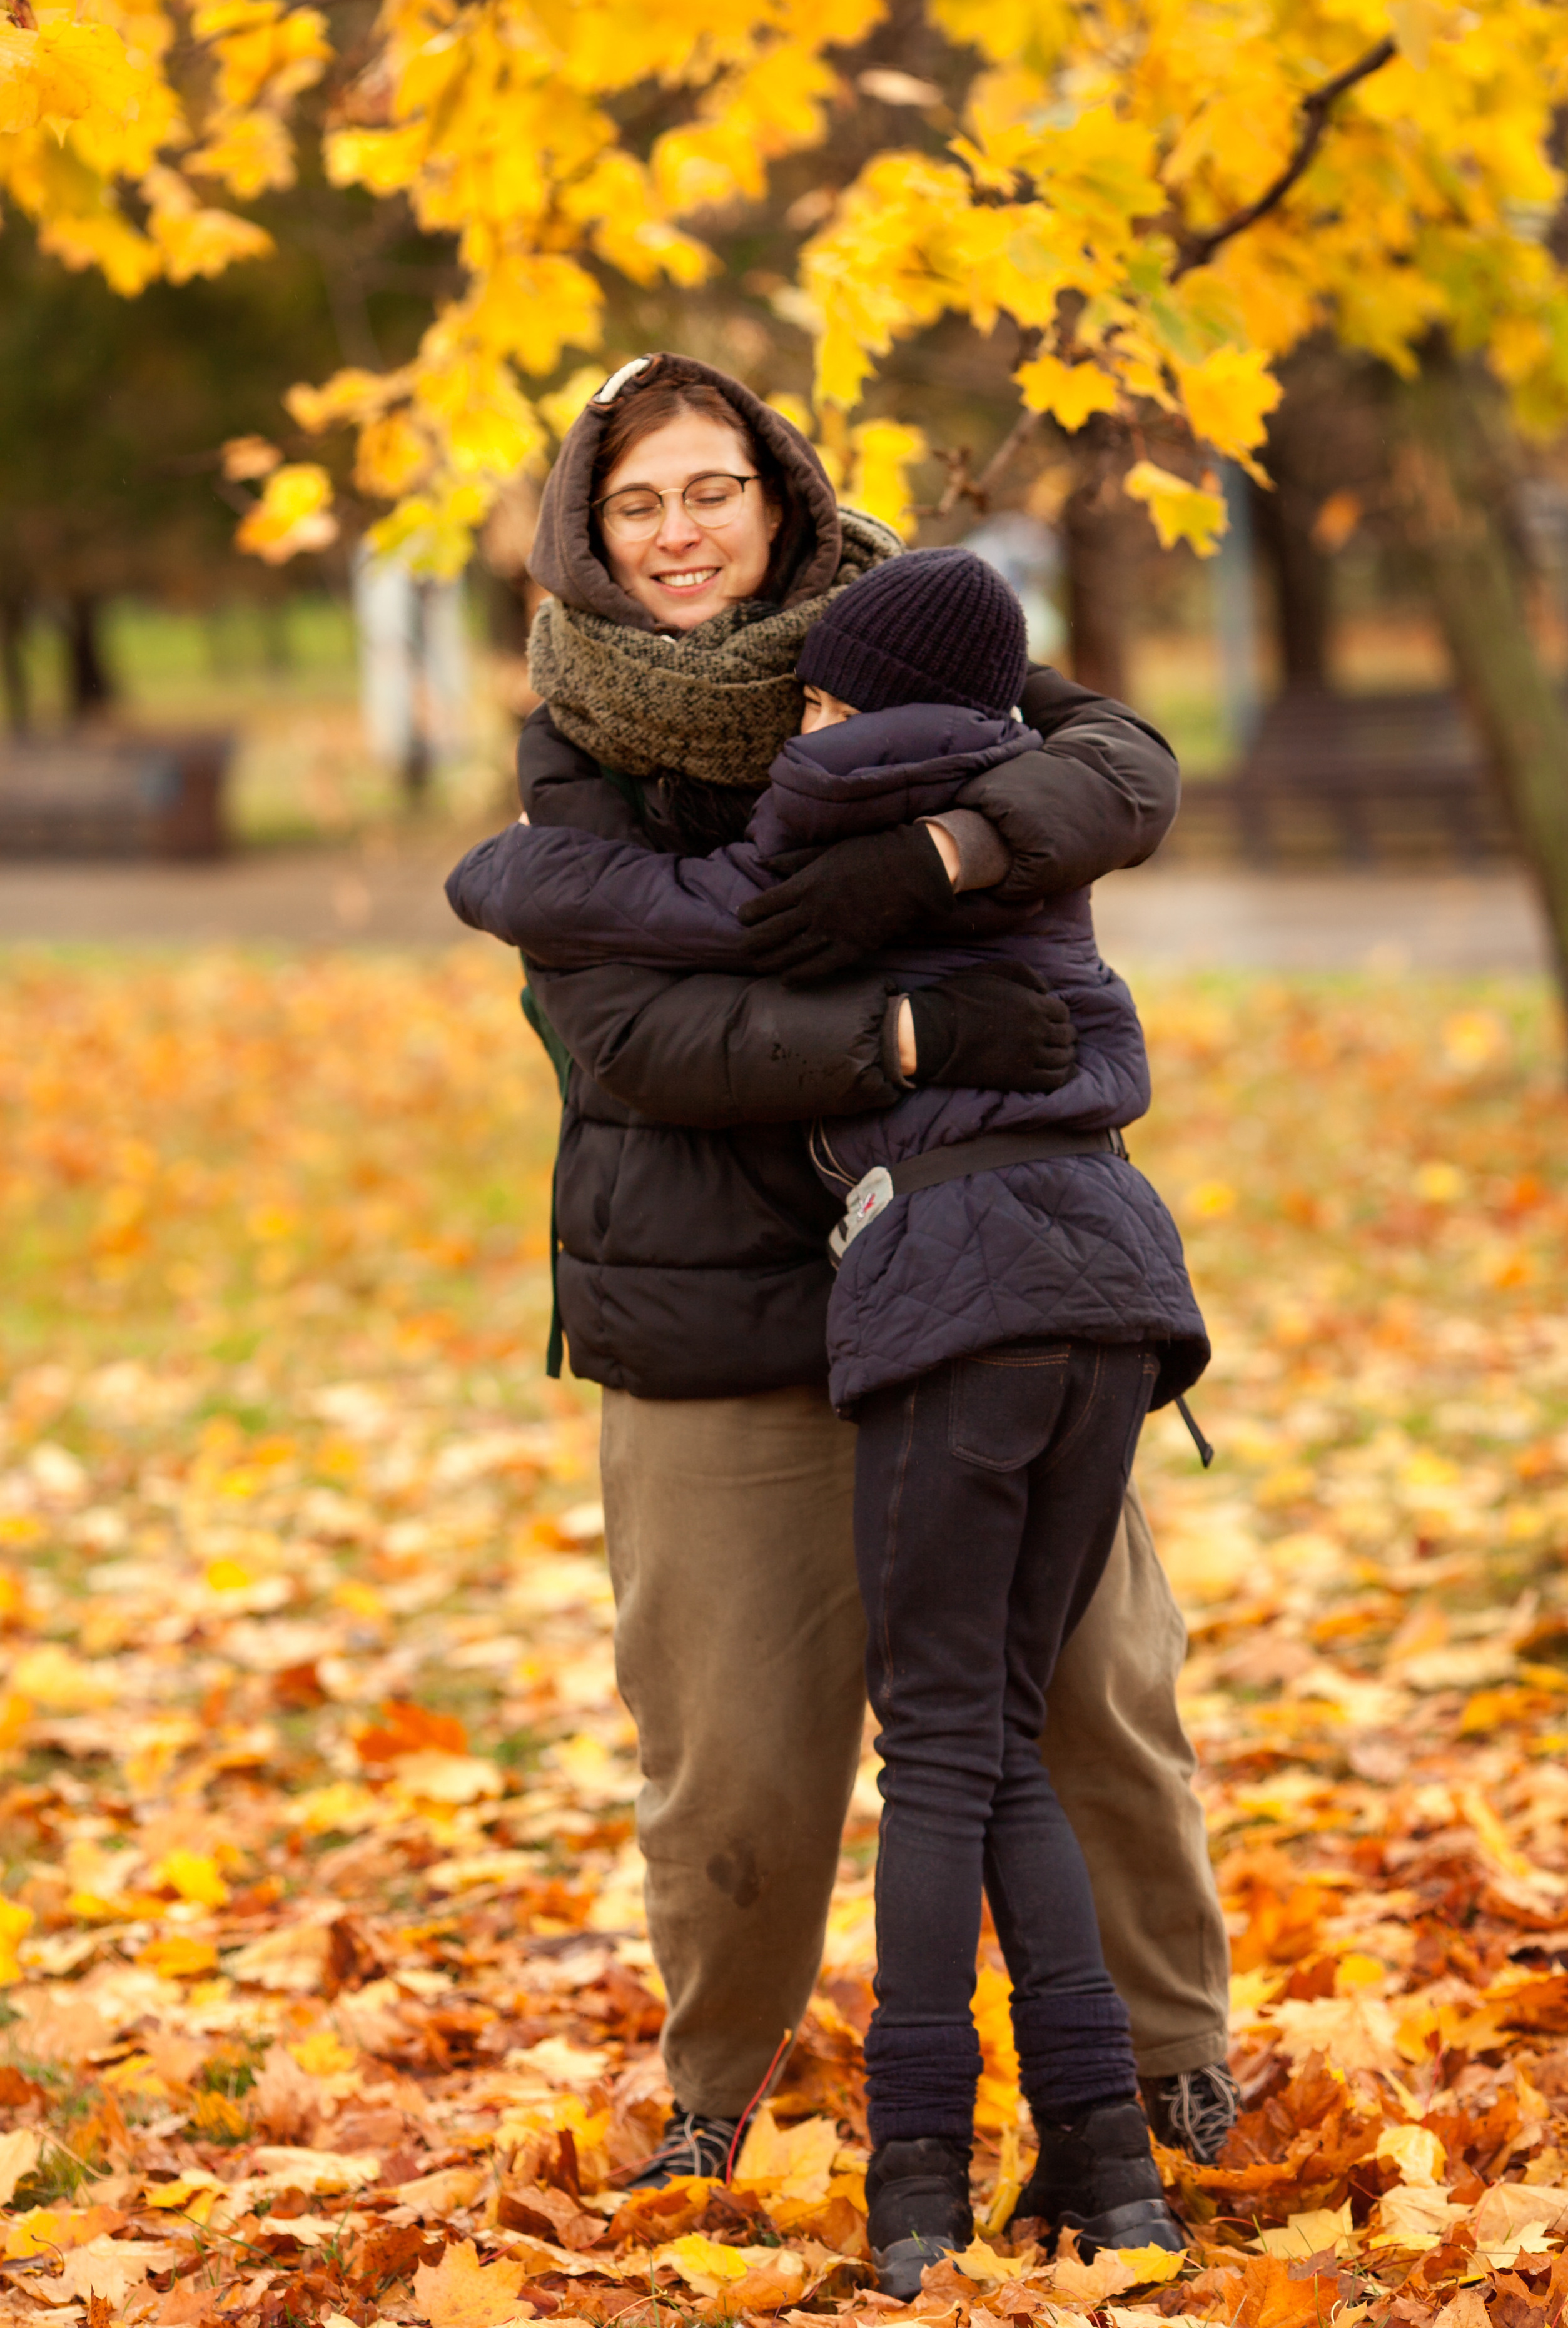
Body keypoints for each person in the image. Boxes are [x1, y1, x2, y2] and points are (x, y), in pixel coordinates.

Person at [447, 353, 1236, 2184]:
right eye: (635, 503)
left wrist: (949, 843)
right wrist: (907, 1031)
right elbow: (642, 1038)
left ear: (778, 497)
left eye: (711, 489)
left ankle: (1178, 2067)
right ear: (589, 532)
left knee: (1094, 1692)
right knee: (737, 1762)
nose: (677, 533)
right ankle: (715, 2092)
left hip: (986, 1269)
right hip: (720, 1307)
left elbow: (1123, 763)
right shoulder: (579, 743)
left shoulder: (897, 634)